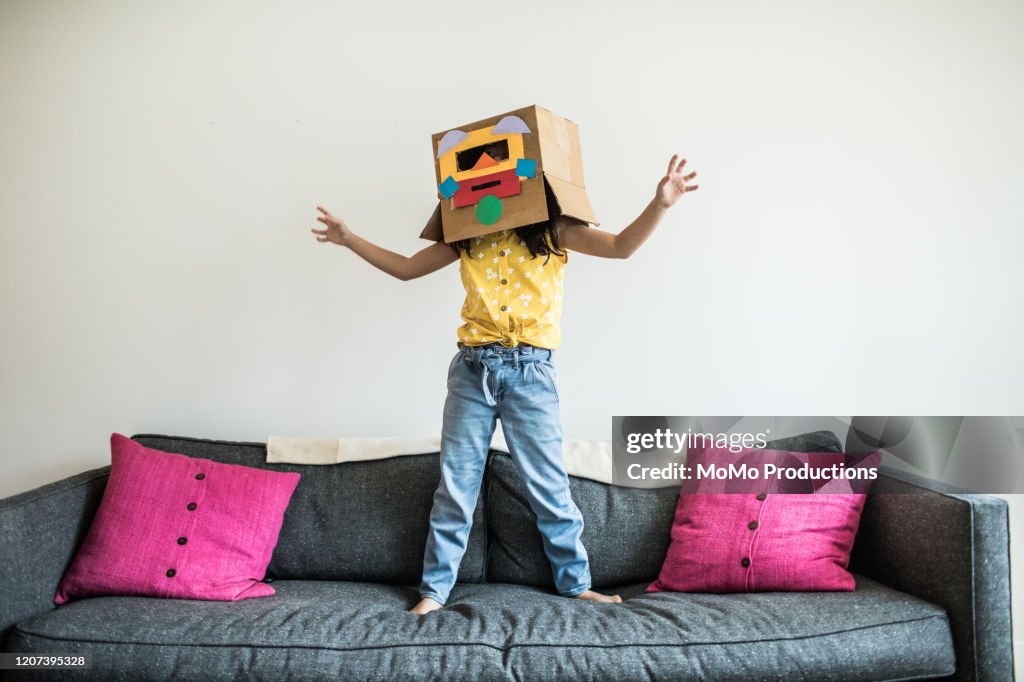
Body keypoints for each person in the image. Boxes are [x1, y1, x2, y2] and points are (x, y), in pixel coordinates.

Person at [310, 154, 699, 615]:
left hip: (529, 371)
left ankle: (575, 584)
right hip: (472, 370)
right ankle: (434, 593)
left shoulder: (555, 231)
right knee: (455, 487)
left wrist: (661, 204)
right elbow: (406, 267)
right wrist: (349, 238)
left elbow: (620, 246)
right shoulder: (466, 234)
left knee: (548, 485)